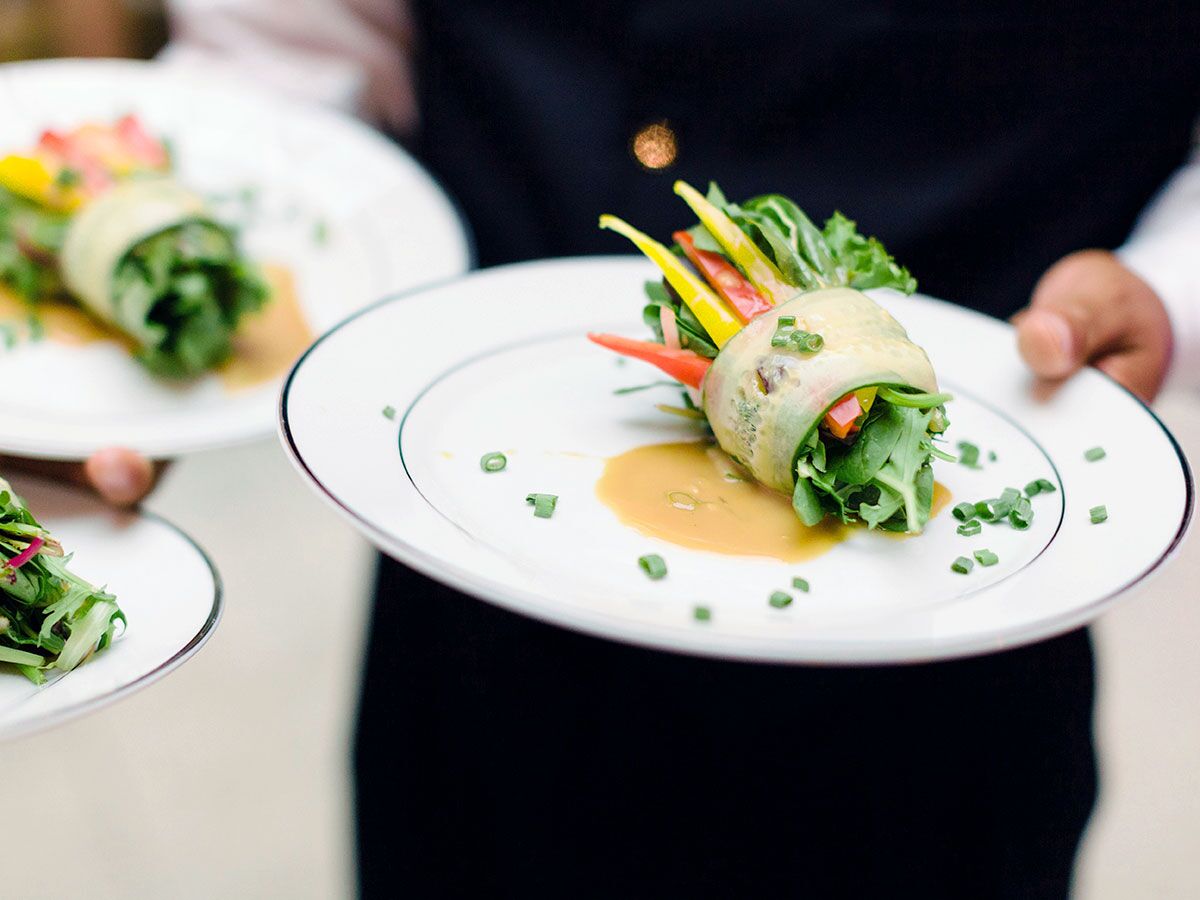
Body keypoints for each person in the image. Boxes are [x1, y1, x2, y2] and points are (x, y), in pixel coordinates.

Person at [163, 2, 1199, 896]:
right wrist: (177, 295)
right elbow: (288, 50)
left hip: (962, 634)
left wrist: (1172, 290)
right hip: (484, 579)